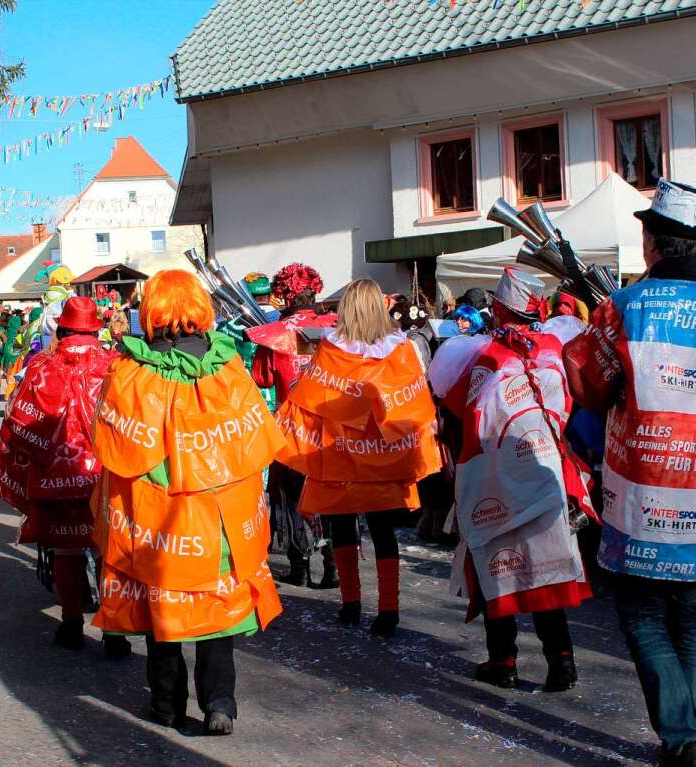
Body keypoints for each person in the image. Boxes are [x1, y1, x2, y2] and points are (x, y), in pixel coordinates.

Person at [91, 269, 284, 735]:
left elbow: (112, 448)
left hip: (158, 523)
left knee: (164, 616)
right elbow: (254, 441)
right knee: (218, 617)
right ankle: (220, 703)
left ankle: (166, 706)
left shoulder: (128, 372)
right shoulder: (229, 366)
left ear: (150, 311)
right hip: (221, 520)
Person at [563, 179, 696, 766]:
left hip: (644, 499)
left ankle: (682, 737)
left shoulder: (622, 308)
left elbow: (588, 389)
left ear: (651, 244)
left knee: (645, 618)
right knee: (692, 623)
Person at [429, 266, 594, 693]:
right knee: (547, 566)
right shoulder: (554, 347)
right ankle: (562, 661)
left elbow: (467, 414)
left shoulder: (488, 357)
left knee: (497, 562)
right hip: (545, 470)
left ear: (500, 310)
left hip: (496, 479)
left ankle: (503, 661)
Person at [275, 279, 442, 637]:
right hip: (384, 459)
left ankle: (350, 604)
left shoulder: (331, 350)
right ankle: (388, 611)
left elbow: (312, 402)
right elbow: (416, 402)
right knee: (384, 532)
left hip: (339, 456)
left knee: (342, 527)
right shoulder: (402, 351)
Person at [0, 297, 127, 656]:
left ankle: (71, 624)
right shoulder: (114, 364)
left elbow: (19, 423)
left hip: (56, 476)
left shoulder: (41, 365)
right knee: (107, 552)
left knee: (66, 549)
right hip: (105, 474)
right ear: (96, 329)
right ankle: (115, 634)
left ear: (62, 328)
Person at [248, 263, 337, 588]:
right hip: (333, 424)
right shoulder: (335, 325)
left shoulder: (277, 333)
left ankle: (300, 566)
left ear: (284, 295)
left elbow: (262, 378)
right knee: (332, 495)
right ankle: (333, 567)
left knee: (291, 499)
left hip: (291, 428)